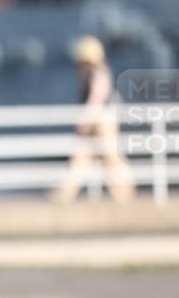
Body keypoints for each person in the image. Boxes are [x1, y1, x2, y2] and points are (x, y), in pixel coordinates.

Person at [50, 35, 135, 203]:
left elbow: (97, 97)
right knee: (82, 157)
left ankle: (125, 190)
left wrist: (85, 120)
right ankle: (66, 192)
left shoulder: (97, 72)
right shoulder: (95, 72)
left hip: (102, 120)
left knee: (110, 156)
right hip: (99, 118)